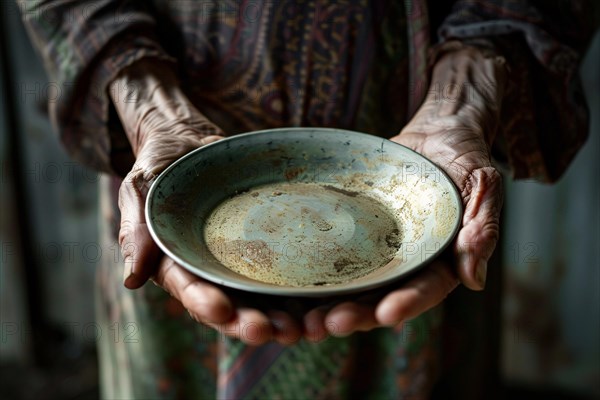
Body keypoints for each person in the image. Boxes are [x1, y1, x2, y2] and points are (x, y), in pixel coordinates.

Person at [20, 0, 594, 398]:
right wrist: (149, 109)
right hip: (179, 174)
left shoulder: (430, 188)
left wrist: (463, 103)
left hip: (420, 161)